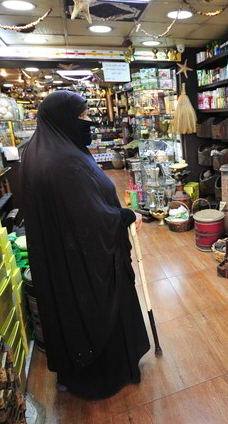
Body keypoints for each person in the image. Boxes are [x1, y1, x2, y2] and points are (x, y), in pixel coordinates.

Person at [21, 91, 150, 399]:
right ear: (63, 120)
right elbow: (89, 219)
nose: (88, 121)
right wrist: (124, 215)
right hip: (82, 264)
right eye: (82, 116)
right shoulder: (64, 162)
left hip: (63, 260)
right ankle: (104, 375)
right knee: (95, 314)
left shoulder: (41, 151)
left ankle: (75, 372)